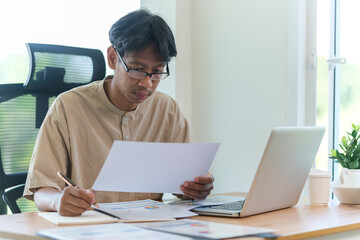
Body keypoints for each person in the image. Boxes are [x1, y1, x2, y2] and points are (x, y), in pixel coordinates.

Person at [24, 9, 215, 216]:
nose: (147, 83)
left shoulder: (167, 109)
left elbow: (188, 183)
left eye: (157, 72)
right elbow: (41, 190)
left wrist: (198, 187)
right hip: (89, 228)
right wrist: (58, 200)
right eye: (137, 69)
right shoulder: (68, 108)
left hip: (153, 228)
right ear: (113, 58)